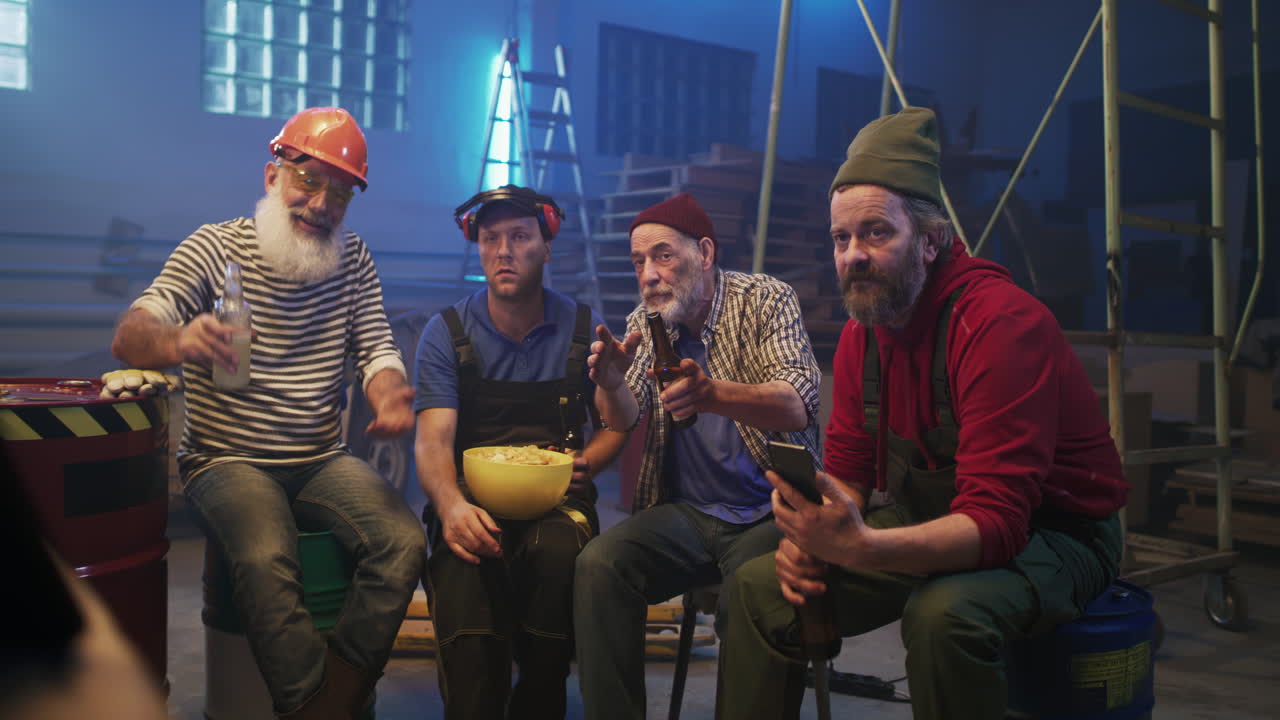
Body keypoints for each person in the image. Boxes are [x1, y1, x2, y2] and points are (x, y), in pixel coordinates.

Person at [716, 107, 1129, 720]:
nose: (853, 255)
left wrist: (859, 548)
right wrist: (819, 531)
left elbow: (998, 523)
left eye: (876, 233)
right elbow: (851, 470)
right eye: (841, 239)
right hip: (939, 514)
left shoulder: (998, 325)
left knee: (943, 616)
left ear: (931, 241)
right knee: (759, 588)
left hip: (1056, 532)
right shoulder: (863, 334)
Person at [110, 107, 425, 720]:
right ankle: (316, 707)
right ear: (272, 176)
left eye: (340, 193)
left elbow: (377, 349)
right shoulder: (213, 248)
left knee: (403, 541)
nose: (321, 204)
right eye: (308, 180)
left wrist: (388, 391)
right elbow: (131, 336)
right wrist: (178, 341)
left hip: (320, 458)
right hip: (225, 459)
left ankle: (331, 700)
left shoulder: (353, 260)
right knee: (264, 555)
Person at [576, 193, 823, 719]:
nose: (649, 275)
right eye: (639, 262)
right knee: (599, 566)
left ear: (705, 253)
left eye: (663, 255)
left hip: (769, 510)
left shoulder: (765, 300)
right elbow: (623, 417)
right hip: (688, 514)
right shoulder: (648, 319)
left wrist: (713, 394)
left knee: (751, 594)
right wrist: (611, 383)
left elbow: (798, 403)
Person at [413, 185, 628, 719]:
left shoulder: (584, 329)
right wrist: (450, 508)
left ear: (546, 247)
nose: (504, 251)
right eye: (491, 239)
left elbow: (616, 425)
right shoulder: (447, 334)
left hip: (559, 502)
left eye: (519, 237)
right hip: (469, 501)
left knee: (557, 561)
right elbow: (433, 441)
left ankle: (541, 695)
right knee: (465, 581)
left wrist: (592, 460)